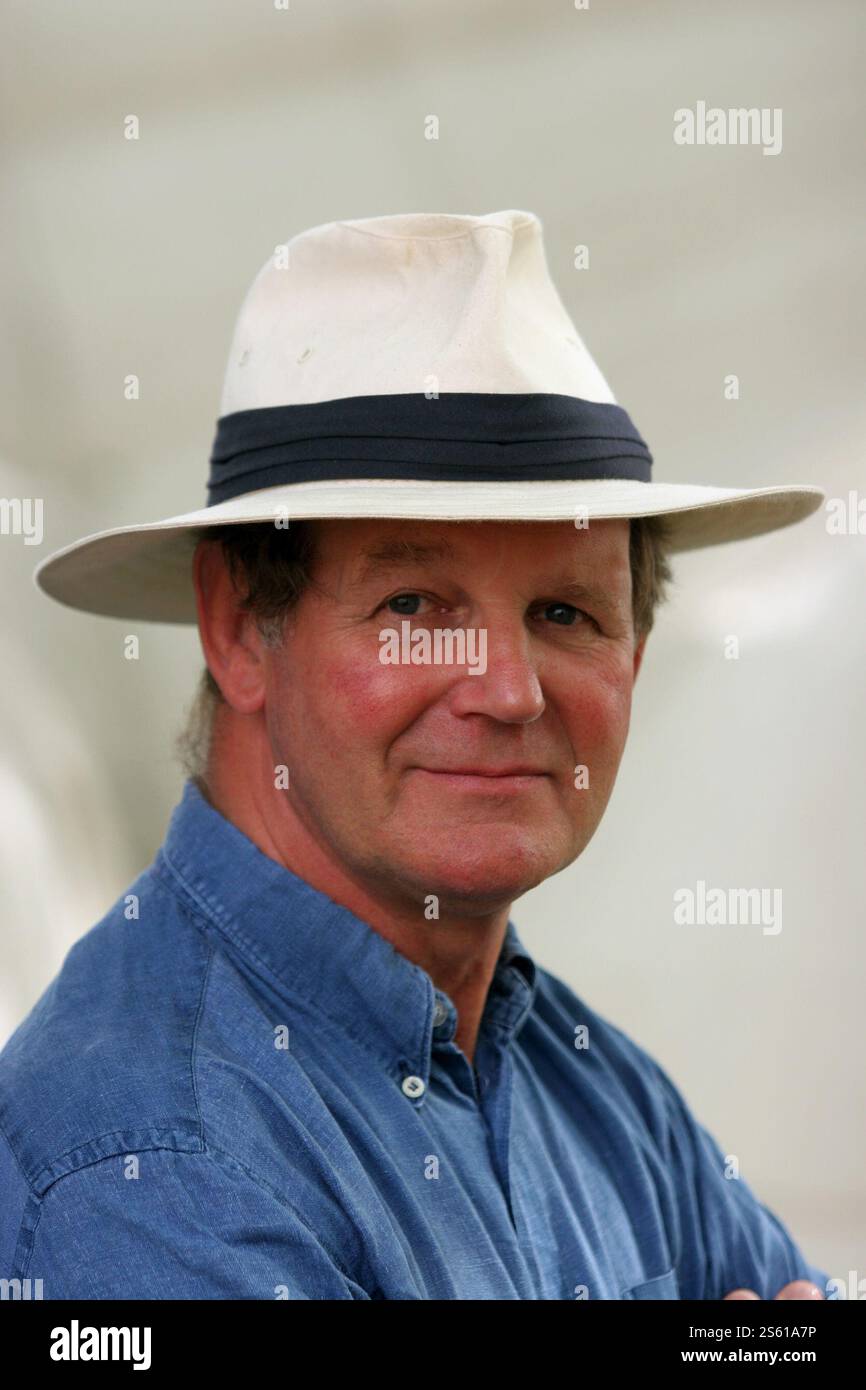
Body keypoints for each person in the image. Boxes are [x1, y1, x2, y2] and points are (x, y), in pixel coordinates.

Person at [0, 209, 829, 1299]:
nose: (508, 689)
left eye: (567, 612)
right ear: (239, 624)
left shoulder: (583, 1081)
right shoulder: (149, 1156)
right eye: (413, 605)